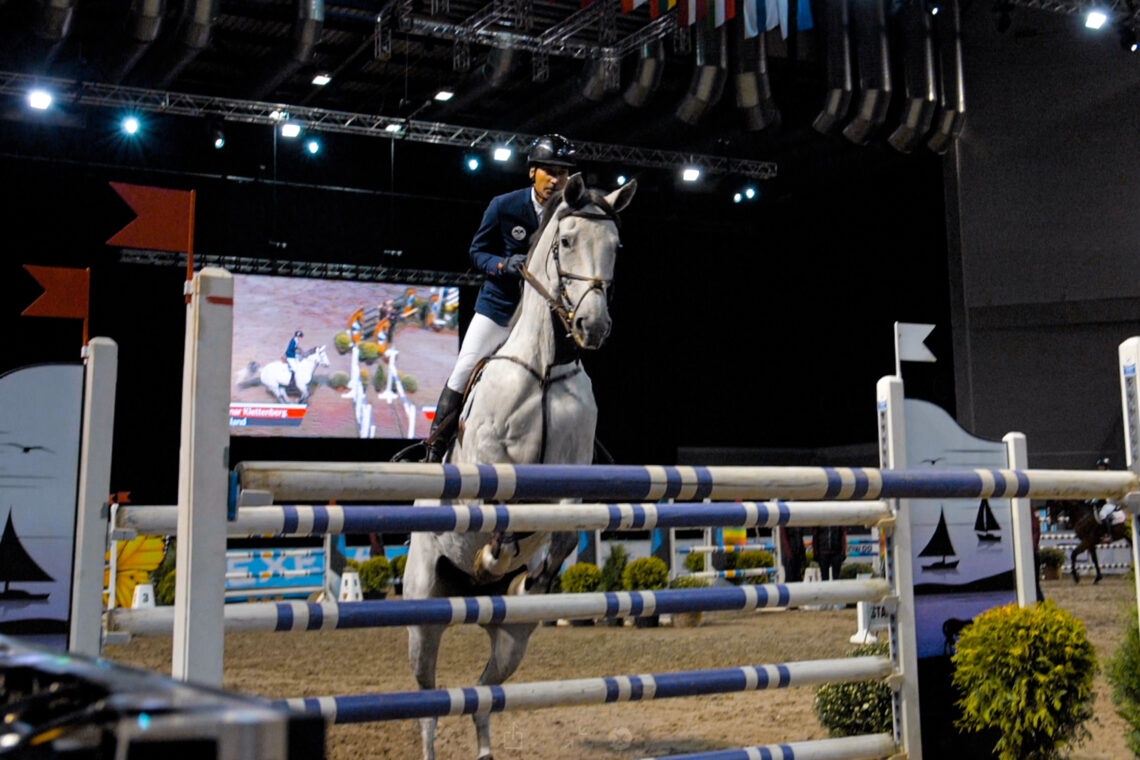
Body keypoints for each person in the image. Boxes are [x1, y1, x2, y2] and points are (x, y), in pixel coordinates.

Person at [423, 134, 577, 462]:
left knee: (569, 378)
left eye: (562, 173)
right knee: (463, 369)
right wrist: (503, 265)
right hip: (498, 310)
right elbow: (476, 252)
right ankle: (435, 448)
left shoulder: (568, 215)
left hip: (539, 320)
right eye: (549, 171)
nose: (556, 179)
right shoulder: (504, 206)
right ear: (531, 172)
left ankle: (580, 445)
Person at [1093, 457, 1123, 535]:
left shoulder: (1109, 475)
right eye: (1099, 466)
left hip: (1112, 501)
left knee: (1102, 514)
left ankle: (1109, 535)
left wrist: (1097, 497)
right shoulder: (1101, 476)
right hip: (1106, 500)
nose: (1099, 468)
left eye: (1101, 466)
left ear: (1105, 466)